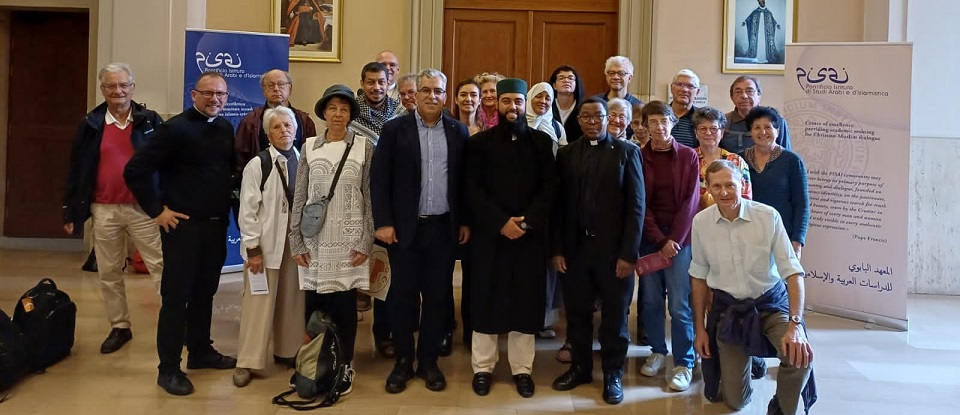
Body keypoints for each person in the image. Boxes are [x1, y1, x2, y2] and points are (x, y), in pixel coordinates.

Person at [124, 71, 237, 396]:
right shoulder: (174, 129)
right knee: (176, 299)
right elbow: (135, 170)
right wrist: (157, 210)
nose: (215, 99)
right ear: (194, 95)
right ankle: (169, 368)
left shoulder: (226, 128)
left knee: (206, 293)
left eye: (221, 94)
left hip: (216, 227)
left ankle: (200, 351)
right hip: (182, 228)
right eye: (208, 93)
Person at [371, 68, 470, 394]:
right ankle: (403, 360)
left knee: (438, 297)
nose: (431, 96)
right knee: (402, 297)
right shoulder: (394, 129)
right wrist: (383, 222)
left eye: (438, 91)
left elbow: (464, 184)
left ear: (445, 96)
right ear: (413, 95)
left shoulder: (458, 132)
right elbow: (380, 179)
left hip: (442, 229)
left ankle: (428, 361)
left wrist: (465, 221)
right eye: (425, 90)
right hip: (403, 230)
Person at [691, 160, 815, 414]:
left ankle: (780, 406)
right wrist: (700, 330)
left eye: (730, 185)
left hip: (770, 303)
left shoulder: (767, 216)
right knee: (735, 401)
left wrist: (796, 325)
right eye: (717, 186)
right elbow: (699, 277)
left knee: (799, 358)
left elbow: (793, 273)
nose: (724, 192)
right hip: (731, 311)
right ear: (708, 189)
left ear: (743, 185)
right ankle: (753, 356)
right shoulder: (701, 223)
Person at [62, 63, 164, 354]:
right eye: (111, 86)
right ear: (103, 89)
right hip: (104, 209)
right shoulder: (90, 124)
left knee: (161, 267)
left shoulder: (150, 121)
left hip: (144, 208)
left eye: (123, 85)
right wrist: (70, 210)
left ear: (132, 87)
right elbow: (76, 169)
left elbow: (166, 163)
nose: (118, 91)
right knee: (108, 271)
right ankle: (119, 327)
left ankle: (173, 324)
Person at [466, 78, 558, 398]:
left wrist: (525, 223)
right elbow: (471, 190)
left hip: (528, 238)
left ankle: (522, 369)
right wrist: (500, 222)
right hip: (489, 237)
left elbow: (549, 190)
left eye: (517, 101)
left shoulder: (542, 144)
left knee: (524, 302)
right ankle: (482, 368)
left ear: (524, 104)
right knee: (485, 299)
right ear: (497, 104)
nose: (512, 108)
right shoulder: (478, 144)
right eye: (506, 102)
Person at [550, 96, 644, 405]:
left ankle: (613, 372)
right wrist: (558, 250)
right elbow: (559, 207)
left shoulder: (627, 152)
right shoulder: (566, 154)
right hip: (576, 250)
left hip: (613, 252)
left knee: (615, 316)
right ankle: (580, 367)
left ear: (608, 119)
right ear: (578, 121)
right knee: (577, 313)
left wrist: (629, 254)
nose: (592, 122)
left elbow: (636, 208)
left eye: (598, 117)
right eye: (586, 117)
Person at [289, 85, 375, 396]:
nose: (338, 114)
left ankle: (344, 364)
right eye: (333, 108)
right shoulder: (309, 146)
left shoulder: (364, 147)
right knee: (313, 306)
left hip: (349, 239)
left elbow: (369, 197)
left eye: (344, 108)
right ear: (324, 112)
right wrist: (295, 241)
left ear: (351, 115)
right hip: (315, 239)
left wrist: (366, 240)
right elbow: (300, 196)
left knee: (344, 307)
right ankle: (313, 362)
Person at [233, 106, 306, 388]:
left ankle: (288, 351)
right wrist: (252, 249)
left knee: (292, 299)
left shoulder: (304, 159)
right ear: (267, 134)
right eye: (276, 127)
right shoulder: (258, 164)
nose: (283, 131)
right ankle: (247, 361)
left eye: (288, 126)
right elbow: (247, 210)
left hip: (295, 245)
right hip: (264, 247)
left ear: (296, 130)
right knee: (258, 304)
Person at [637, 101, 700, 392]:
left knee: (679, 304)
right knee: (649, 301)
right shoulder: (638, 156)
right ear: (644, 126)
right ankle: (657, 352)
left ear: (673, 123)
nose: (658, 127)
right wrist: (660, 240)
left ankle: (684, 362)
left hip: (680, 241)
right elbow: (640, 204)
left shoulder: (688, 156)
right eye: (652, 122)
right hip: (650, 240)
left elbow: (691, 202)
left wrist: (673, 240)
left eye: (664, 121)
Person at [742, 106, 809, 260]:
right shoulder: (740, 160)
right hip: (748, 234)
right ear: (750, 132)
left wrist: (797, 242)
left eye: (768, 127)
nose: (762, 132)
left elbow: (802, 204)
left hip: (782, 233)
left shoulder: (792, 160)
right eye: (757, 127)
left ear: (777, 131)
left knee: (780, 282)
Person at [234, 70, 316, 188]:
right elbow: (240, 158)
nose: (276, 89)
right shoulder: (251, 121)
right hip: (261, 184)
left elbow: (311, 156)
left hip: (296, 185)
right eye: (271, 85)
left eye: (281, 84)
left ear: (290, 88)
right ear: (263, 90)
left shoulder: (304, 121)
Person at [693, 106, 751, 210]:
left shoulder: (736, 161)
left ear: (722, 132)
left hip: (731, 219)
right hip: (694, 219)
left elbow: (746, 197)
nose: (708, 133)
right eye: (703, 129)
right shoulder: (688, 159)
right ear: (696, 133)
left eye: (714, 129)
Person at [722, 76, 792, 153]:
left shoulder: (776, 121)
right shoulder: (723, 121)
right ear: (732, 97)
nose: (744, 96)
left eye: (749, 91)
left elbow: (786, 155)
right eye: (738, 92)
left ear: (759, 95)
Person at [591, 56, 644, 140]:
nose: (615, 77)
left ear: (630, 78)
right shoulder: (595, 103)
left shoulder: (639, 107)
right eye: (611, 73)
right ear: (606, 76)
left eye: (621, 73)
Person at [350, 61, 400, 145]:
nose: (376, 87)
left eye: (381, 82)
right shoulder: (351, 112)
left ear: (388, 84)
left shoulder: (399, 112)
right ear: (362, 84)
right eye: (370, 82)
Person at [548, 65, 584, 145]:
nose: (566, 81)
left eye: (570, 78)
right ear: (554, 86)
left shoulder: (584, 109)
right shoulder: (547, 107)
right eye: (561, 78)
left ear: (576, 84)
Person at [669, 69, 700, 148]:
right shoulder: (660, 114)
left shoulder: (702, 118)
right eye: (680, 84)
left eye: (690, 86)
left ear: (697, 92)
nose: (684, 90)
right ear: (672, 88)